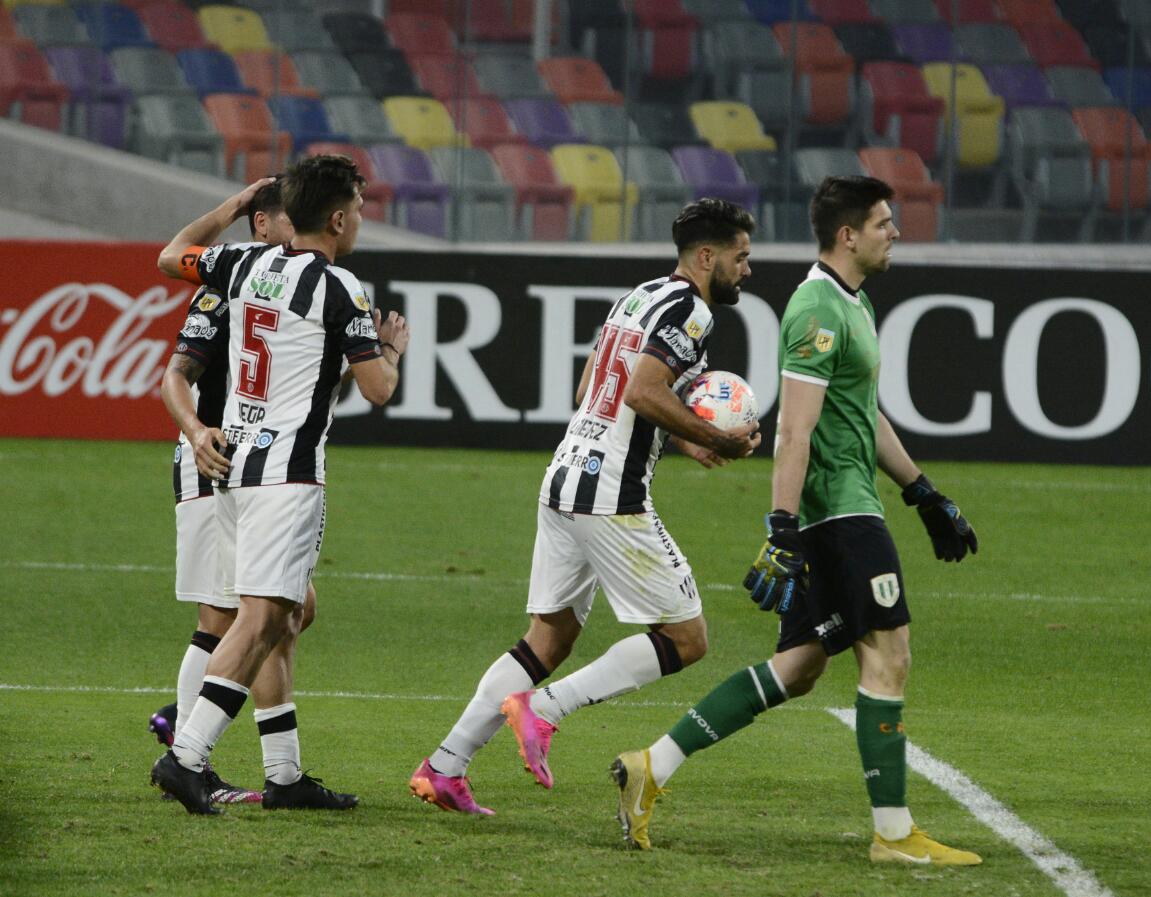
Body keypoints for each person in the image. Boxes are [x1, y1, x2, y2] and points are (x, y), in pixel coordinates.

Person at [610, 176, 983, 866]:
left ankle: (651, 764)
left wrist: (922, 492)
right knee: (889, 655)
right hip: (839, 514)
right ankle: (894, 833)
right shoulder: (816, 309)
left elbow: (862, 413)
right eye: (883, 223)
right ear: (848, 235)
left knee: (800, 665)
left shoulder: (853, 302)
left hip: (850, 506)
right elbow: (794, 429)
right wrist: (782, 526)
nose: (893, 233)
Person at [409, 198, 761, 815]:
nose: (747, 269)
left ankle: (444, 767)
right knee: (686, 639)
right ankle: (544, 710)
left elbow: (590, 389)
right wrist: (717, 436)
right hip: (610, 494)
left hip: (566, 476)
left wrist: (683, 439)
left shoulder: (638, 297)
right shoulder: (692, 310)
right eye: (741, 256)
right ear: (708, 257)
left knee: (548, 639)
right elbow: (643, 390)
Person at [150, 154, 410, 815]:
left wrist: (234, 207)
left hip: (236, 467)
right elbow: (378, 389)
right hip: (286, 475)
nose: (361, 220)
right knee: (258, 616)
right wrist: (390, 350)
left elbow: (173, 255)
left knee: (288, 614)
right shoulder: (342, 288)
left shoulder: (242, 265)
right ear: (339, 219)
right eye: (359, 209)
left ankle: (285, 775)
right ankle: (186, 756)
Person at [147, 176, 314, 806]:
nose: (300, 230)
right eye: (288, 219)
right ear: (262, 225)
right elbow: (176, 368)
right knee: (227, 616)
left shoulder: (297, 289)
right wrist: (195, 433)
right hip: (214, 460)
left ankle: (204, 731)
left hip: (257, 469)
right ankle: (188, 755)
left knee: (289, 609)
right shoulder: (226, 285)